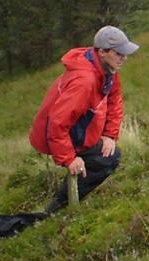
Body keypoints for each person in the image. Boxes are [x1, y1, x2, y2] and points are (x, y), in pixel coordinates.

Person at [29, 25, 139, 213]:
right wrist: (70, 159)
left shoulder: (107, 70)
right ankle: (57, 208)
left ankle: (67, 198)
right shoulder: (84, 81)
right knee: (107, 160)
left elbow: (114, 101)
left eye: (124, 53)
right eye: (119, 53)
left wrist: (110, 135)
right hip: (59, 135)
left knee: (108, 154)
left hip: (79, 131)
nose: (124, 57)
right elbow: (58, 123)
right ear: (102, 52)